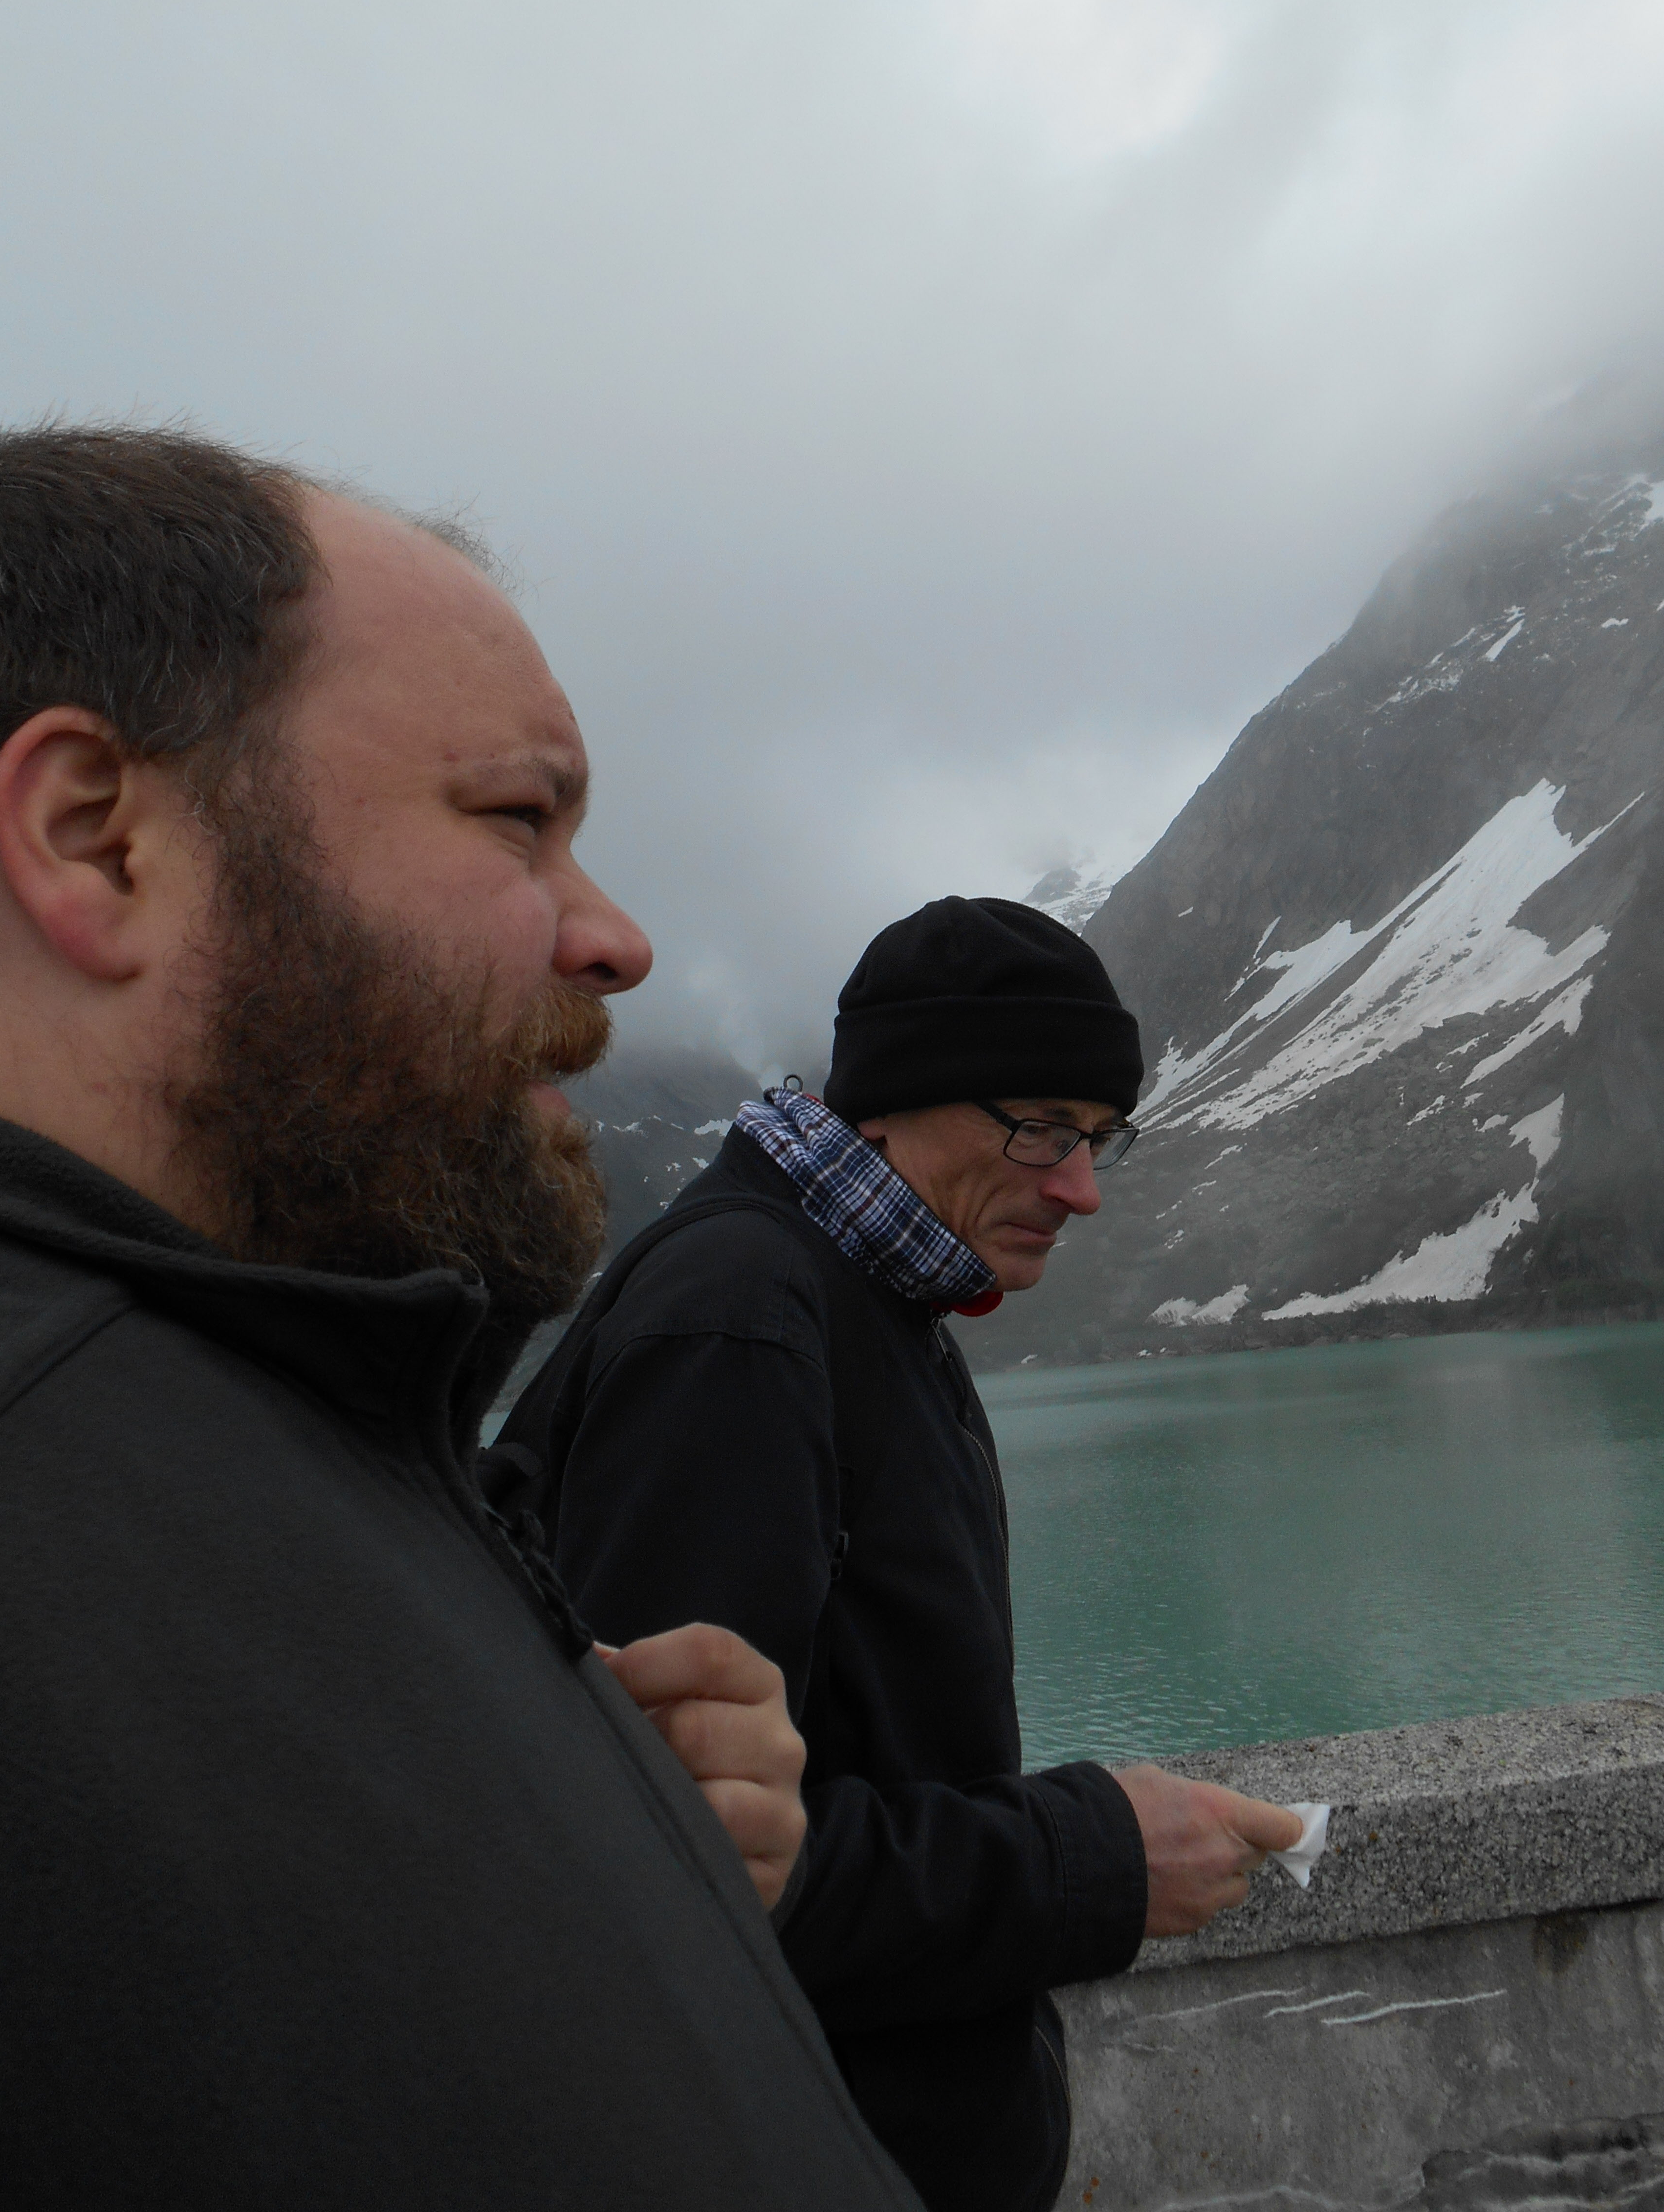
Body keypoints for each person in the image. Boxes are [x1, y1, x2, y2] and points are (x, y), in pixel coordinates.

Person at [0, 425, 921, 2211]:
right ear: (97, 841)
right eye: (518, 818)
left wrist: (602, 1832)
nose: (617, 940)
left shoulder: (300, 1404)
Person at [488, 896, 1303, 2212]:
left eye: (1100, 1138)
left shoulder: (863, 1294)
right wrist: (1095, 1859)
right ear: (895, 1101)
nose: (1082, 1188)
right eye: (1043, 1129)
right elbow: (673, 1864)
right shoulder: (743, 1322)